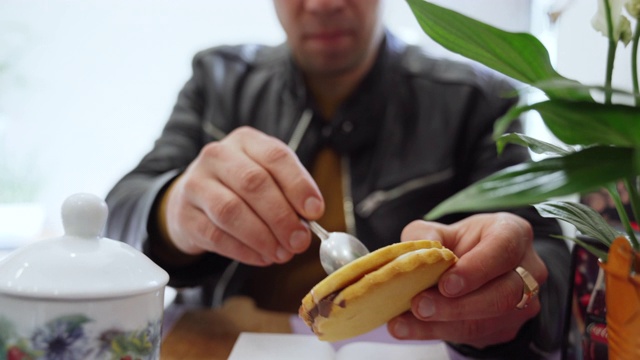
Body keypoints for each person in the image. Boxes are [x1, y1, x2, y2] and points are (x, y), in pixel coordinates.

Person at [105, 0, 570, 358]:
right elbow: (118, 214)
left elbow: (546, 262)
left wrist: (516, 288)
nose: (324, 4)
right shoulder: (217, 82)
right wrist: (173, 209)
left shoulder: (478, 100)